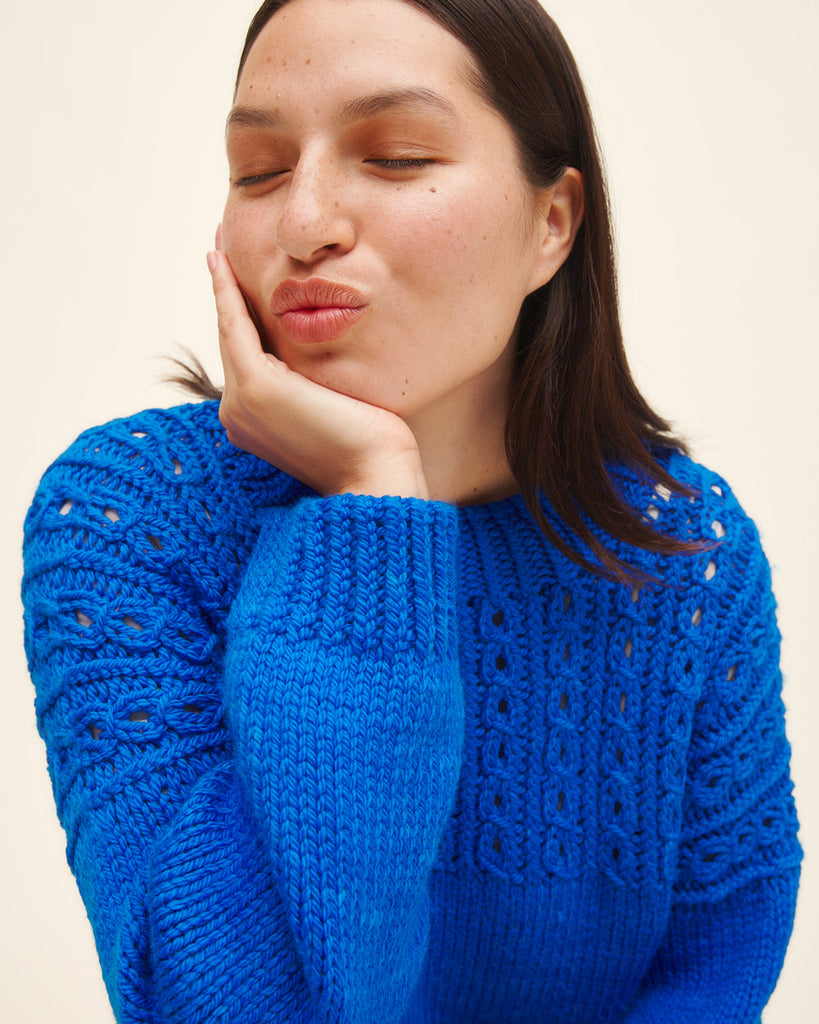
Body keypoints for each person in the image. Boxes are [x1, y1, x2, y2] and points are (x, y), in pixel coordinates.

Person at [21, 0, 801, 1021]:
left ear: (552, 225)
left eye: (393, 156)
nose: (302, 223)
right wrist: (376, 500)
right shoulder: (131, 524)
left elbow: (717, 970)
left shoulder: (685, 555)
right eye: (258, 170)